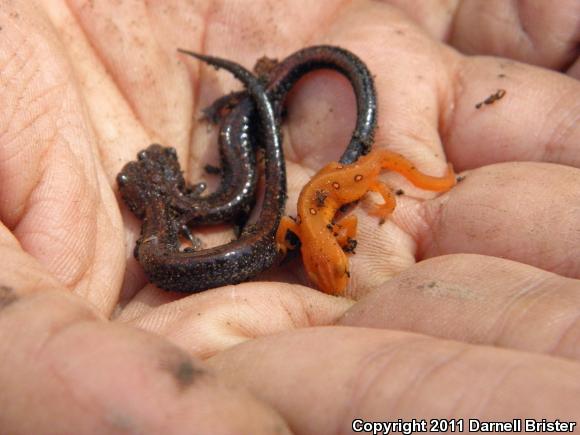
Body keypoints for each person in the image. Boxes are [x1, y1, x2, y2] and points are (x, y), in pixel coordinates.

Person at [0, 0, 579, 433]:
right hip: (239, 240)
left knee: (248, 179)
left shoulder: (173, 231)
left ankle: (263, 101)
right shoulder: (178, 236)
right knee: (248, 183)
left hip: (241, 228)